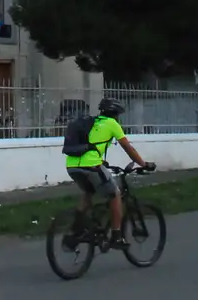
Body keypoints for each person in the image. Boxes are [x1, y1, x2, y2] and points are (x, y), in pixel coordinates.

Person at [65, 97, 155, 249]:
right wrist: (144, 164)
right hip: (91, 166)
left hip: (72, 166)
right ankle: (116, 236)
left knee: (88, 193)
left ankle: (76, 229)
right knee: (115, 194)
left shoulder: (92, 122)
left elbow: (92, 144)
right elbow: (128, 148)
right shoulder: (112, 124)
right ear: (115, 114)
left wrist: (102, 162)